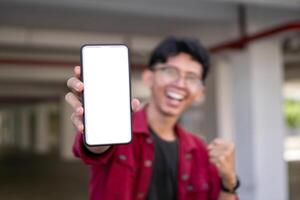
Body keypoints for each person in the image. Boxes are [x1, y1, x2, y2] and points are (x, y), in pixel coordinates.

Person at [65, 36, 239, 200]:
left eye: (191, 77)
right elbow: (95, 150)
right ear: (148, 77)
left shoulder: (200, 151)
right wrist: (96, 133)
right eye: (171, 71)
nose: (180, 84)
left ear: (200, 91)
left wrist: (229, 182)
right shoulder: (119, 130)